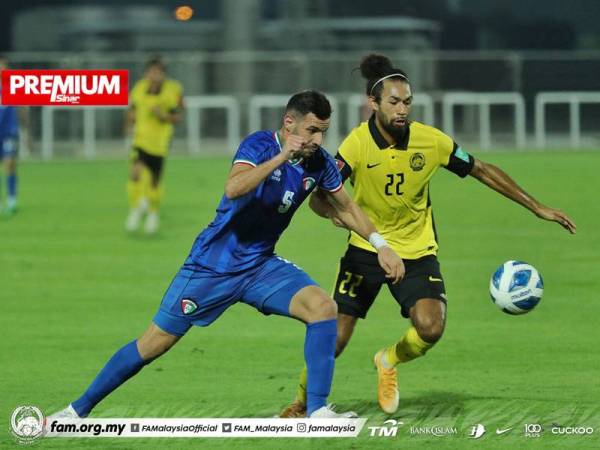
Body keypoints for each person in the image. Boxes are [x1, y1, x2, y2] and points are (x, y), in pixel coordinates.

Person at [50, 90, 405, 420]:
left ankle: (316, 411)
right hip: (212, 266)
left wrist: (381, 245)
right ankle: (75, 411)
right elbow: (234, 188)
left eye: (323, 132)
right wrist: (283, 156)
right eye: (311, 130)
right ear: (289, 123)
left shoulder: (320, 163)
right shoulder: (259, 145)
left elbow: (347, 206)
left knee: (323, 308)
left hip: (261, 266)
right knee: (154, 343)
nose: (317, 140)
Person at [280, 54, 577, 417]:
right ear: (373, 103)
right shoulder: (357, 145)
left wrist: (537, 207)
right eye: (393, 102)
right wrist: (333, 215)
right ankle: (300, 401)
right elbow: (320, 196)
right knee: (335, 337)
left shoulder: (430, 141)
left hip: (417, 251)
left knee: (431, 328)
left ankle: (387, 360)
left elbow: (481, 169)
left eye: (407, 101)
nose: (402, 109)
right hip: (367, 247)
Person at [125, 56, 184, 234]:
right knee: (135, 173)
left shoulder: (171, 92)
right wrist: (129, 123)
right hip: (140, 140)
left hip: (159, 143)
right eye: (151, 72)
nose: (154, 76)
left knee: (153, 181)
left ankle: (152, 213)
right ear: (146, 73)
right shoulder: (139, 88)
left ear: (163, 75)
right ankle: (135, 209)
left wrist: (162, 115)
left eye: (158, 73)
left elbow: (177, 117)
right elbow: (132, 109)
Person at [0, 57, 21, 216]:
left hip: (10, 132)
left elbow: (23, 107)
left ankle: (12, 199)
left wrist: (26, 131)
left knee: (9, 164)